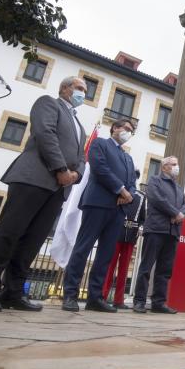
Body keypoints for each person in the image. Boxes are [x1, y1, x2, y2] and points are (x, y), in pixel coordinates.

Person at [0, 76, 87, 312]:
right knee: (9, 233)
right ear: (64, 88)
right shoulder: (48, 103)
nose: (82, 93)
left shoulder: (80, 126)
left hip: (58, 189)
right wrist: (61, 169)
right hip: (34, 178)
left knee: (32, 242)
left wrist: (76, 173)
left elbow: (82, 157)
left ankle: (13, 293)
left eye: (85, 90)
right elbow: (45, 134)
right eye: (79, 88)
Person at [61, 119, 137, 313]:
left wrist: (128, 195)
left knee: (105, 254)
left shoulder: (128, 158)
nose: (128, 132)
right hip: (97, 203)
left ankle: (95, 297)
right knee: (83, 248)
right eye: (125, 128)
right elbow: (100, 168)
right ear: (115, 128)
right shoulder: (100, 144)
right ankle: (70, 294)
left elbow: (132, 184)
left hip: (118, 210)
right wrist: (121, 190)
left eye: (131, 131)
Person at [132, 156, 185, 314]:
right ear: (164, 167)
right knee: (146, 267)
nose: (177, 167)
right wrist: (175, 212)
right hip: (156, 229)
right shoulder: (154, 181)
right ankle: (139, 301)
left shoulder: (178, 187)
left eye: (177, 164)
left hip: (172, 232)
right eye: (174, 164)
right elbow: (158, 200)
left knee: (164, 270)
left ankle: (159, 302)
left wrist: (181, 214)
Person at [101, 172, 146, 309]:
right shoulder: (117, 191)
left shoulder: (142, 197)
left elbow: (143, 217)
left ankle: (118, 300)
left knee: (124, 269)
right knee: (110, 267)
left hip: (131, 235)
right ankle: (102, 297)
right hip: (116, 233)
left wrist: (141, 227)